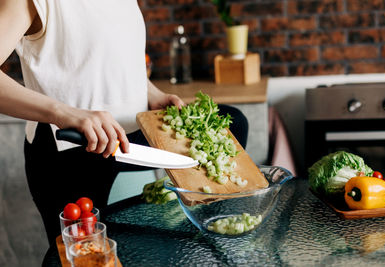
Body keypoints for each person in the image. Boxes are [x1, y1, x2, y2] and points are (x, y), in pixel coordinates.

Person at [0, 0, 248, 244]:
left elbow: (115, 59)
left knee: (234, 122)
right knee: (89, 260)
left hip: (129, 141)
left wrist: (151, 94)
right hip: (71, 149)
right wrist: (66, 113)